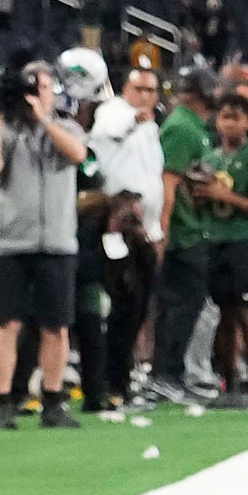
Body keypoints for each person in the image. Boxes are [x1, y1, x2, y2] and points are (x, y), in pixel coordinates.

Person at [0, 60, 89, 430]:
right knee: (6, 323)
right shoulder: (6, 128)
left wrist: (44, 120)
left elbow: (77, 154)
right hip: (10, 242)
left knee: (55, 326)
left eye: (41, 88)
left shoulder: (66, 125)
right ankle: (3, 402)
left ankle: (53, 401)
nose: (35, 96)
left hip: (56, 242)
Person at [141, 64, 223, 405]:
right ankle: (166, 375)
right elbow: (168, 184)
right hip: (182, 234)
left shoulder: (194, 126)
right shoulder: (182, 128)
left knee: (183, 306)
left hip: (193, 230)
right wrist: (160, 231)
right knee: (179, 306)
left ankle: (170, 374)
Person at [84, 60, 166, 404]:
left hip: (142, 232)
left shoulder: (150, 129)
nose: (145, 96)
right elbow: (112, 128)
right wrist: (134, 117)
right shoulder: (112, 112)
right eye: (139, 89)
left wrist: (156, 229)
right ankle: (112, 383)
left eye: (151, 90)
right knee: (123, 305)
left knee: (137, 308)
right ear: (125, 90)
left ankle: (122, 381)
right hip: (113, 227)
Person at [197, 90, 248, 406]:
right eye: (224, 117)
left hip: (246, 241)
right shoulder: (211, 158)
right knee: (224, 315)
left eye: (236, 117)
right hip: (216, 240)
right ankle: (229, 379)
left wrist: (224, 195)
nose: (229, 124)